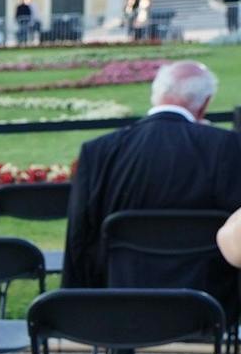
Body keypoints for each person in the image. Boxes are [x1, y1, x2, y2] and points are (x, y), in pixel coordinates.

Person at [63, 60, 241, 305]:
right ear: (205, 104)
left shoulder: (98, 151)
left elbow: (79, 238)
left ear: (156, 94)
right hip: (208, 304)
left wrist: (78, 308)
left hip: (120, 302)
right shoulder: (229, 147)